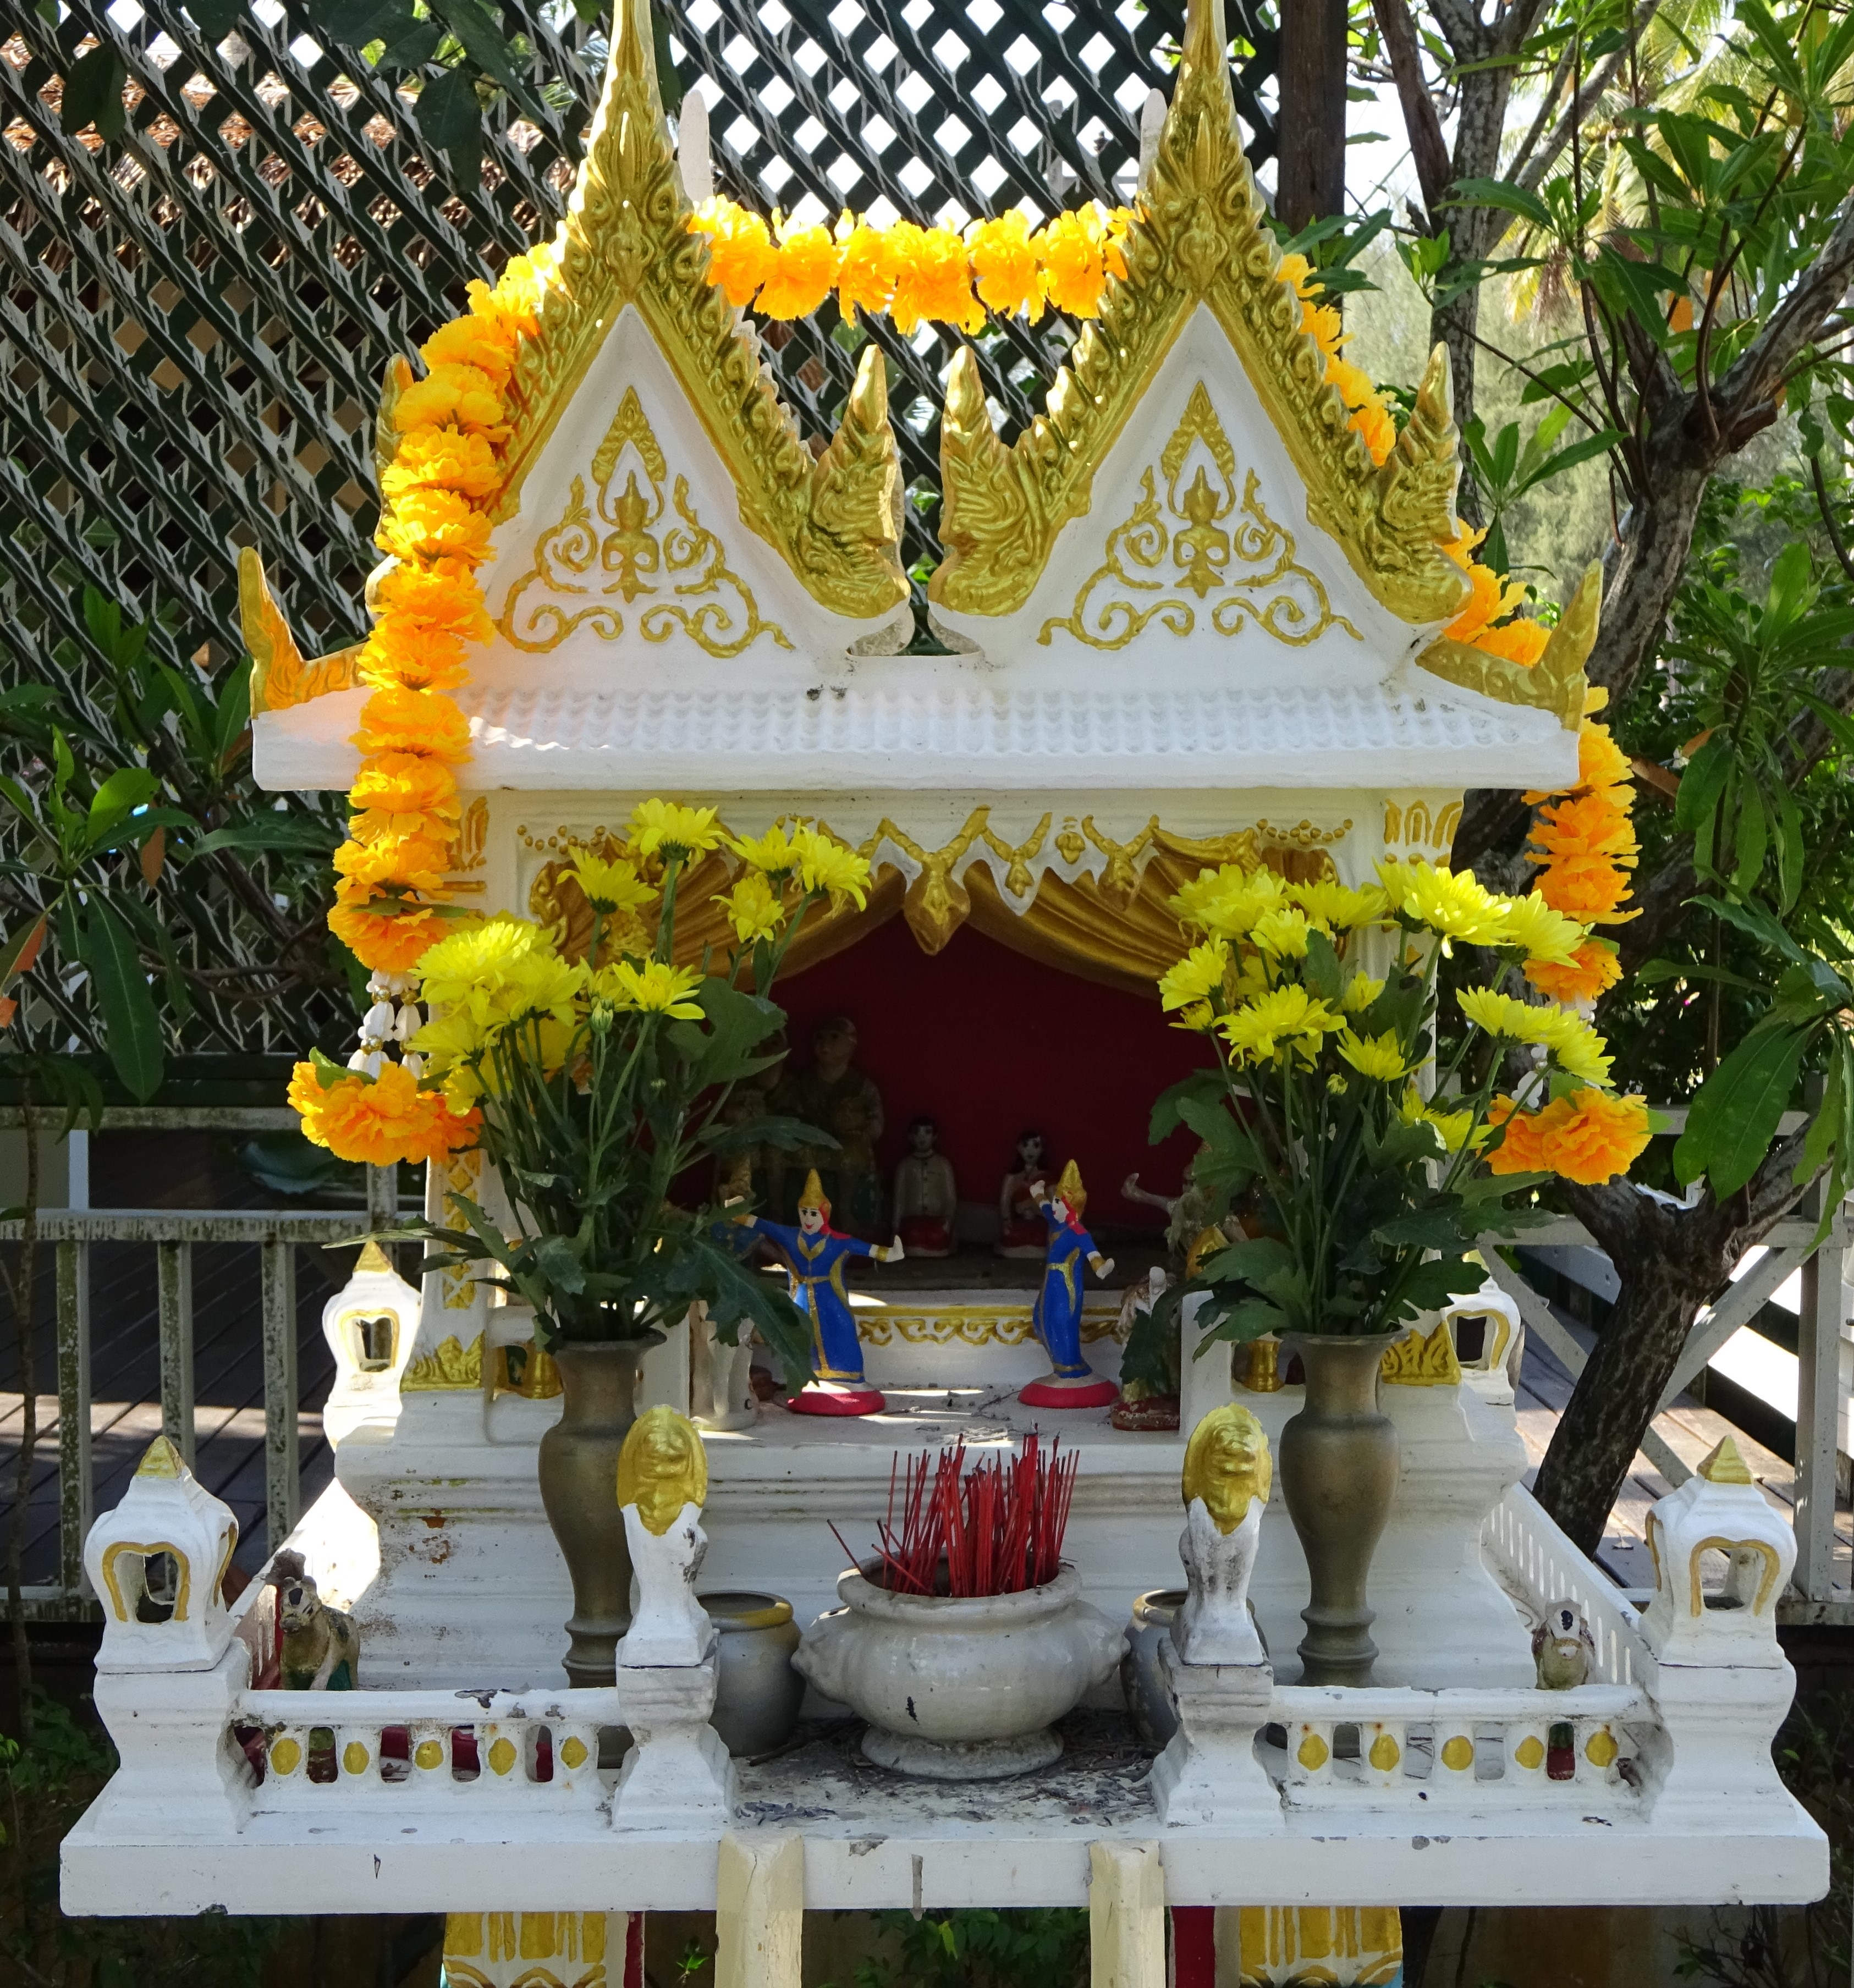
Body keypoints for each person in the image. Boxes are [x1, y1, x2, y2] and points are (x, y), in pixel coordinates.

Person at [737, 1170, 903, 1416]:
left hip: (831, 1298)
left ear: (824, 1214)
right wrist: (739, 1215)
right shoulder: (791, 1236)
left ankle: (852, 1381)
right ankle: (809, 1379)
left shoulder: (837, 1241)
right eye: (804, 1212)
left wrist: (890, 1254)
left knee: (842, 1332)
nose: (808, 1218)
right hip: (802, 1299)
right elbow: (766, 1226)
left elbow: (863, 1248)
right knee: (805, 1338)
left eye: (813, 1213)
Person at [1019, 1161, 1120, 1409]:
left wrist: (1102, 1267)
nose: (1054, 1206)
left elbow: (1092, 1254)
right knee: (1040, 1320)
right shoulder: (1056, 1223)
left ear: (1071, 1207)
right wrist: (1038, 1193)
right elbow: (1045, 1208)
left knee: (1062, 1322)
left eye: (1059, 1203)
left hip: (1066, 1285)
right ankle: (1062, 1369)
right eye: (1055, 1202)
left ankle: (1072, 1371)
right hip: (1050, 1284)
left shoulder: (1078, 1232)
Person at [780, 1015, 884, 1234]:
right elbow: (790, 1113)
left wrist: (859, 1131)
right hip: (813, 1141)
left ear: (851, 1044)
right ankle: (809, 1211)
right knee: (804, 1153)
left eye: (834, 1038)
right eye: (820, 1038)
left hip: (846, 1144)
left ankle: (845, 1211)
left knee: (851, 1153)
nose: (825, 1045)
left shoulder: (861, 1085)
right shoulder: (804, 1082)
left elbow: (876, 1122)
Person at [893, 1115, 957, 1257]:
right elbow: (900, 1199)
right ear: (910, 1137)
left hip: (937, 1221)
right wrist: (895, 1228)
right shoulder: (905, 1166)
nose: (922, 1137)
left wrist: (949, 1221)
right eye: (917, 1132)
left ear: (935, 1136)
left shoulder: (943, 1165)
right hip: (912, 1222)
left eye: (927, 1132)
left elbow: (951, 1199)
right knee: (912, 1234)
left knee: (938, 1234)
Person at [996, 1128, 1049, 1257]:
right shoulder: (1013, 1176)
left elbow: (1053, 1201)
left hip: (1039, 1220)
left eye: (1035, 1146)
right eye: (1025, 1145)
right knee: (1010, 1234)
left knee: (1044, 1237)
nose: (1030, 1151)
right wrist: (1006, 1219)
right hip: (1020, 1221)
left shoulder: (1046, 1176)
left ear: (1042, 1149)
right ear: (1019, 1148)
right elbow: (1005, 1201)